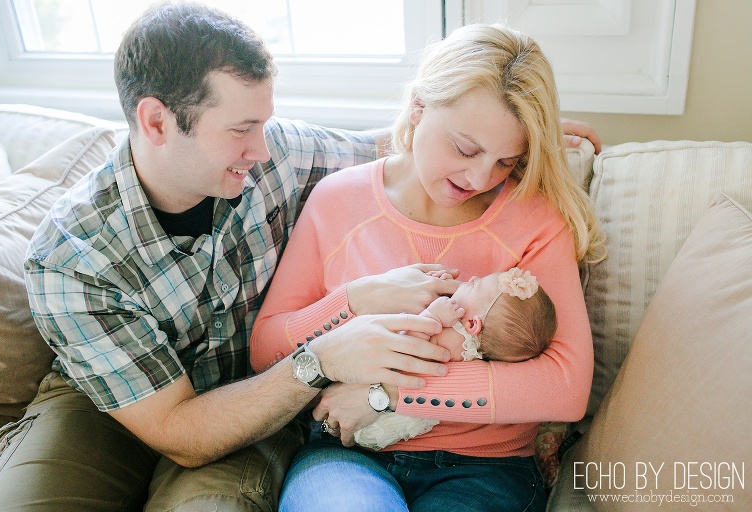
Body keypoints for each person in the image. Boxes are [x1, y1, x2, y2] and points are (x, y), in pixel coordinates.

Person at [0, 4, 600, 511]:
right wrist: (342, 323)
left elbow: (398, 148)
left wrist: (523, 138)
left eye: (265, 124)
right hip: (133, 404)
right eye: (240, 130)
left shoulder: (280, 156)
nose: (261, 148)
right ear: (156, 122)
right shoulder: (72, 259)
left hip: (301, 418)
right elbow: (182, 430)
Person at [249, 21, 607, 512]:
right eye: (465, 148)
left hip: (486, 465)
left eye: (506, 160)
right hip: (348, 455)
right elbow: (265, 347)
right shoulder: (339, 201)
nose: (480, 177)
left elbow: (565, 387)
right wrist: (351, 301)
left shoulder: (536, 218)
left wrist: (389, 395)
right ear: (418, 108)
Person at [353, 267, 557, 451]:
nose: (473, 276)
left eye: (474, 285)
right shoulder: (467, 342)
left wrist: (432, 316)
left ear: (471, 325)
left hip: (376, 411)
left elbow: (407, 357)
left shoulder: (451, 341)